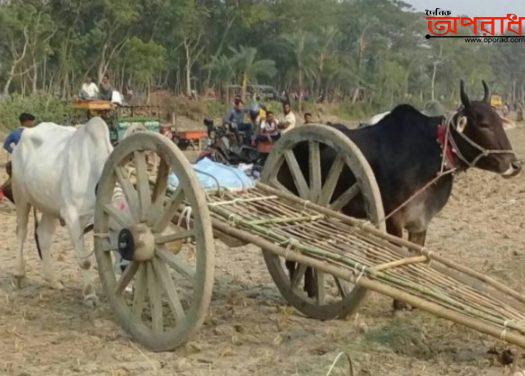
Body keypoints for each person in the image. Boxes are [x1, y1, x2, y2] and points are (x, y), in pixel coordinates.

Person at [1, 113, 37, 203]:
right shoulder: (26, 133)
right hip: (27, 162)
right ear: (27, 122)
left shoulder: (15, 133)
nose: (33, 124)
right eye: (32, 122)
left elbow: (6, 145)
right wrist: (16, 153)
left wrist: (13, 152)